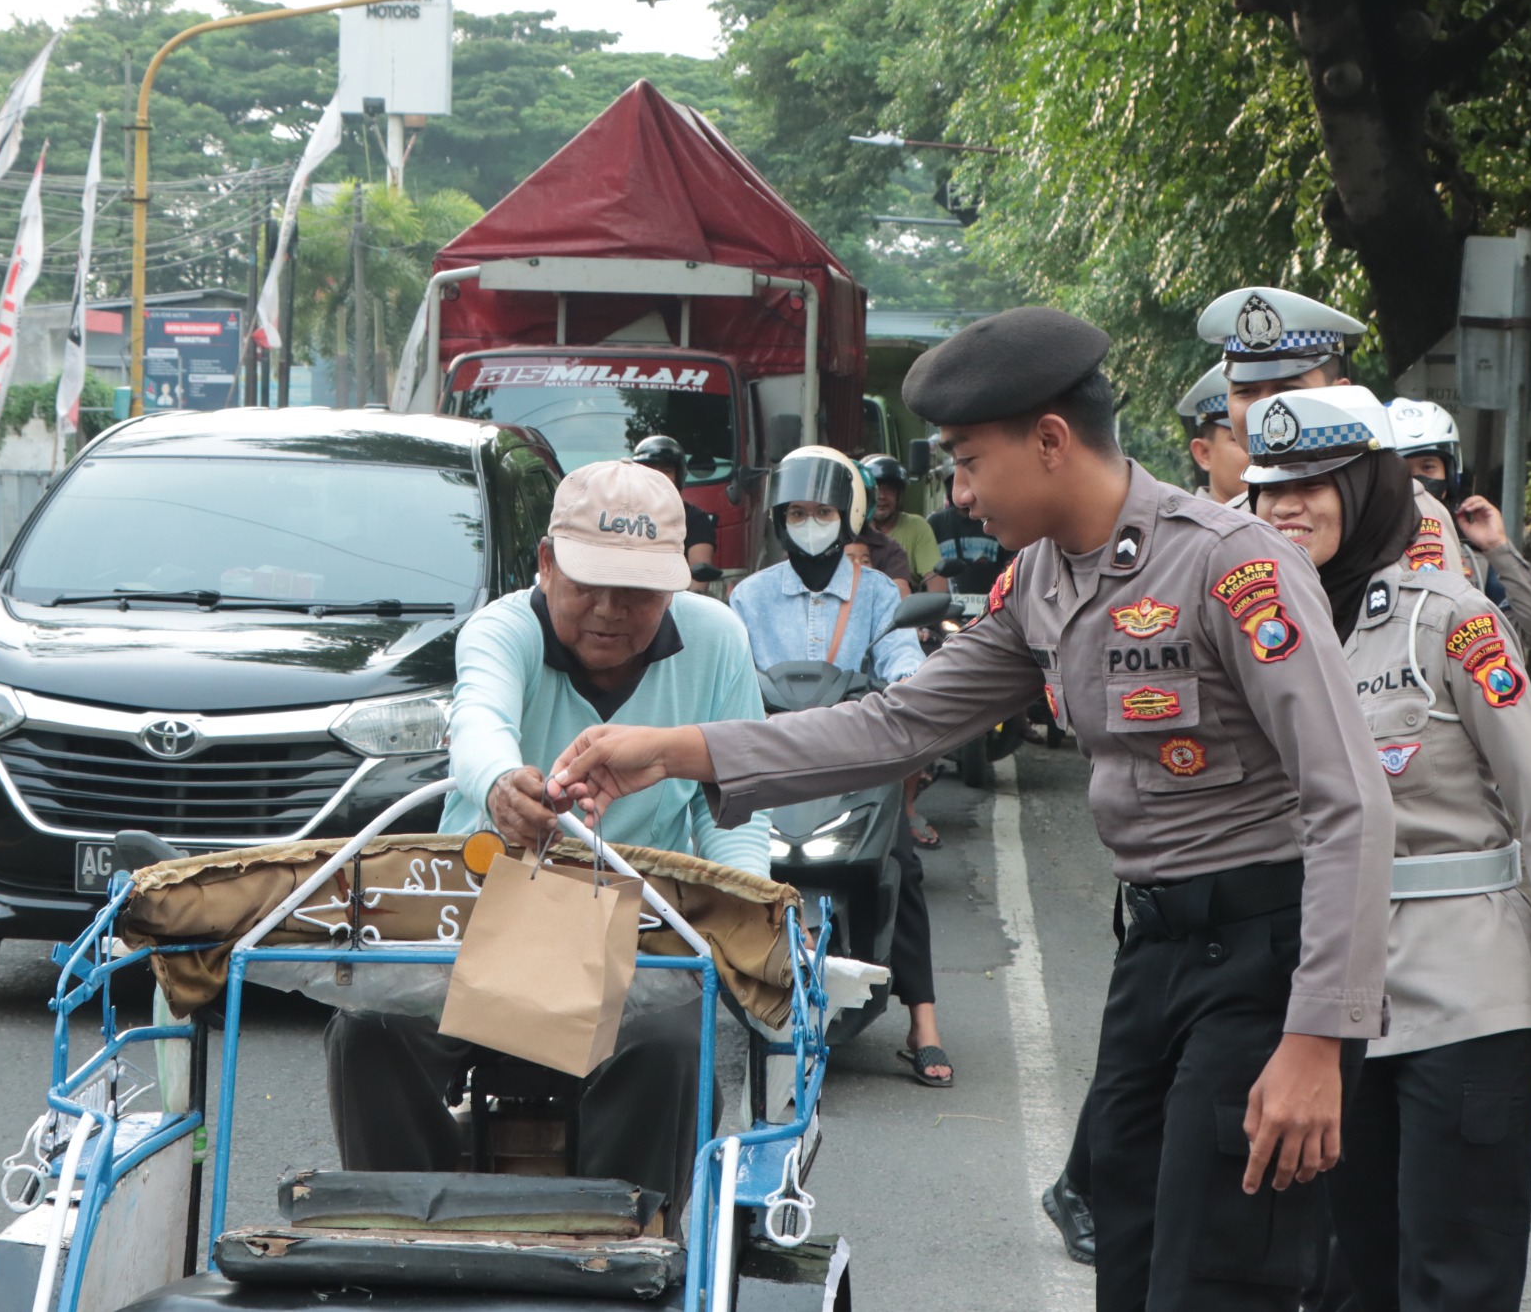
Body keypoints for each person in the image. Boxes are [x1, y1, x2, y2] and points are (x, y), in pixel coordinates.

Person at [547, 306, 1396, 1312]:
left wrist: (1317, 1040)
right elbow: (897, 726)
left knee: (1220, 1270)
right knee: (1122, 1234)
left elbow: (1351, 802)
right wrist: (675, 752)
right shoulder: (1041, 581)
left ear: (1048, 440)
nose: (954, 491)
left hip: (1266, 958)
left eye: (966, 459)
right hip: (1155, 956)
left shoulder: (1230, 563)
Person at [1242, 385, 1531, 1311]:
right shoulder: (1263, 633)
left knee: (1453, 1279)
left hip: (1464, 1001)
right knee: (1339, 1278)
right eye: (1268, 488)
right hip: (1323, 1003)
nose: (1285, 506)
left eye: (1315, 482)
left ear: (1371, 486)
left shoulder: (1454, 621)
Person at [324, 458, 774, 1214]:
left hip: (634, 936)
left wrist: (743, 913)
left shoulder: (718, 641)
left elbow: (732, 805)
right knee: (366, 1028)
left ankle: (619, 1251)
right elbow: (478, 724)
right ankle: (406, 1238)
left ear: (677, 585)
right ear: (545, 563)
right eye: (585, 583)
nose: (607, 609)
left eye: (634, 592)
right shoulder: (504, 626)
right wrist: (501, 784)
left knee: (671, 1050)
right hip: (475, 923)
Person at [728, 450, 951, 1087]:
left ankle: (923, 1025)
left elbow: (903, 658)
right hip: (770, 764)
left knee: (901, 866)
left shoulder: (878, 594)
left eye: (821, 512)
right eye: (797, 513)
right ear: (779, 520)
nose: (809, 524)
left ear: (845, 518)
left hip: (856, 759)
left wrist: (911, 690)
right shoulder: (748, 597)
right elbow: (727, 672)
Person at [1202, 285, 1531, 652]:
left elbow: (1438, 654)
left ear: (1341, 392)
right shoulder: (1220, 530)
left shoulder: (1411, 515)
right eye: (1246, 393)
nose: (1267, 410)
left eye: (1287, 388)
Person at [1382, 398, 1531, 651]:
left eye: (1428, 467)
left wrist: (1498, 547)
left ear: (1449, 478)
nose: (1418, 484)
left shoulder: (1475, 566)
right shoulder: (1363, 560)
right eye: (1404, 470)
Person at [632, 433, 718, 587]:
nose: (658, 476)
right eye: (649, 469)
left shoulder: (696, 519)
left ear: (679, 475)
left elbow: (699, 574)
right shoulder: (620, 515)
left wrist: (687, 600)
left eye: (666, 470)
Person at [861, 454, 944, 592]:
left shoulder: (916, 527)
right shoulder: (853, 529)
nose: (882, 496)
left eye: (889, 489)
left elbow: (937, 585)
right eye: (876, 489)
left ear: (899, 495)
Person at [1177, 366, 1247, 504]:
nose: (1260, 453)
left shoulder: (1289, 521)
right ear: (1204, 454)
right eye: (1240, 439)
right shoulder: (1182, 525)